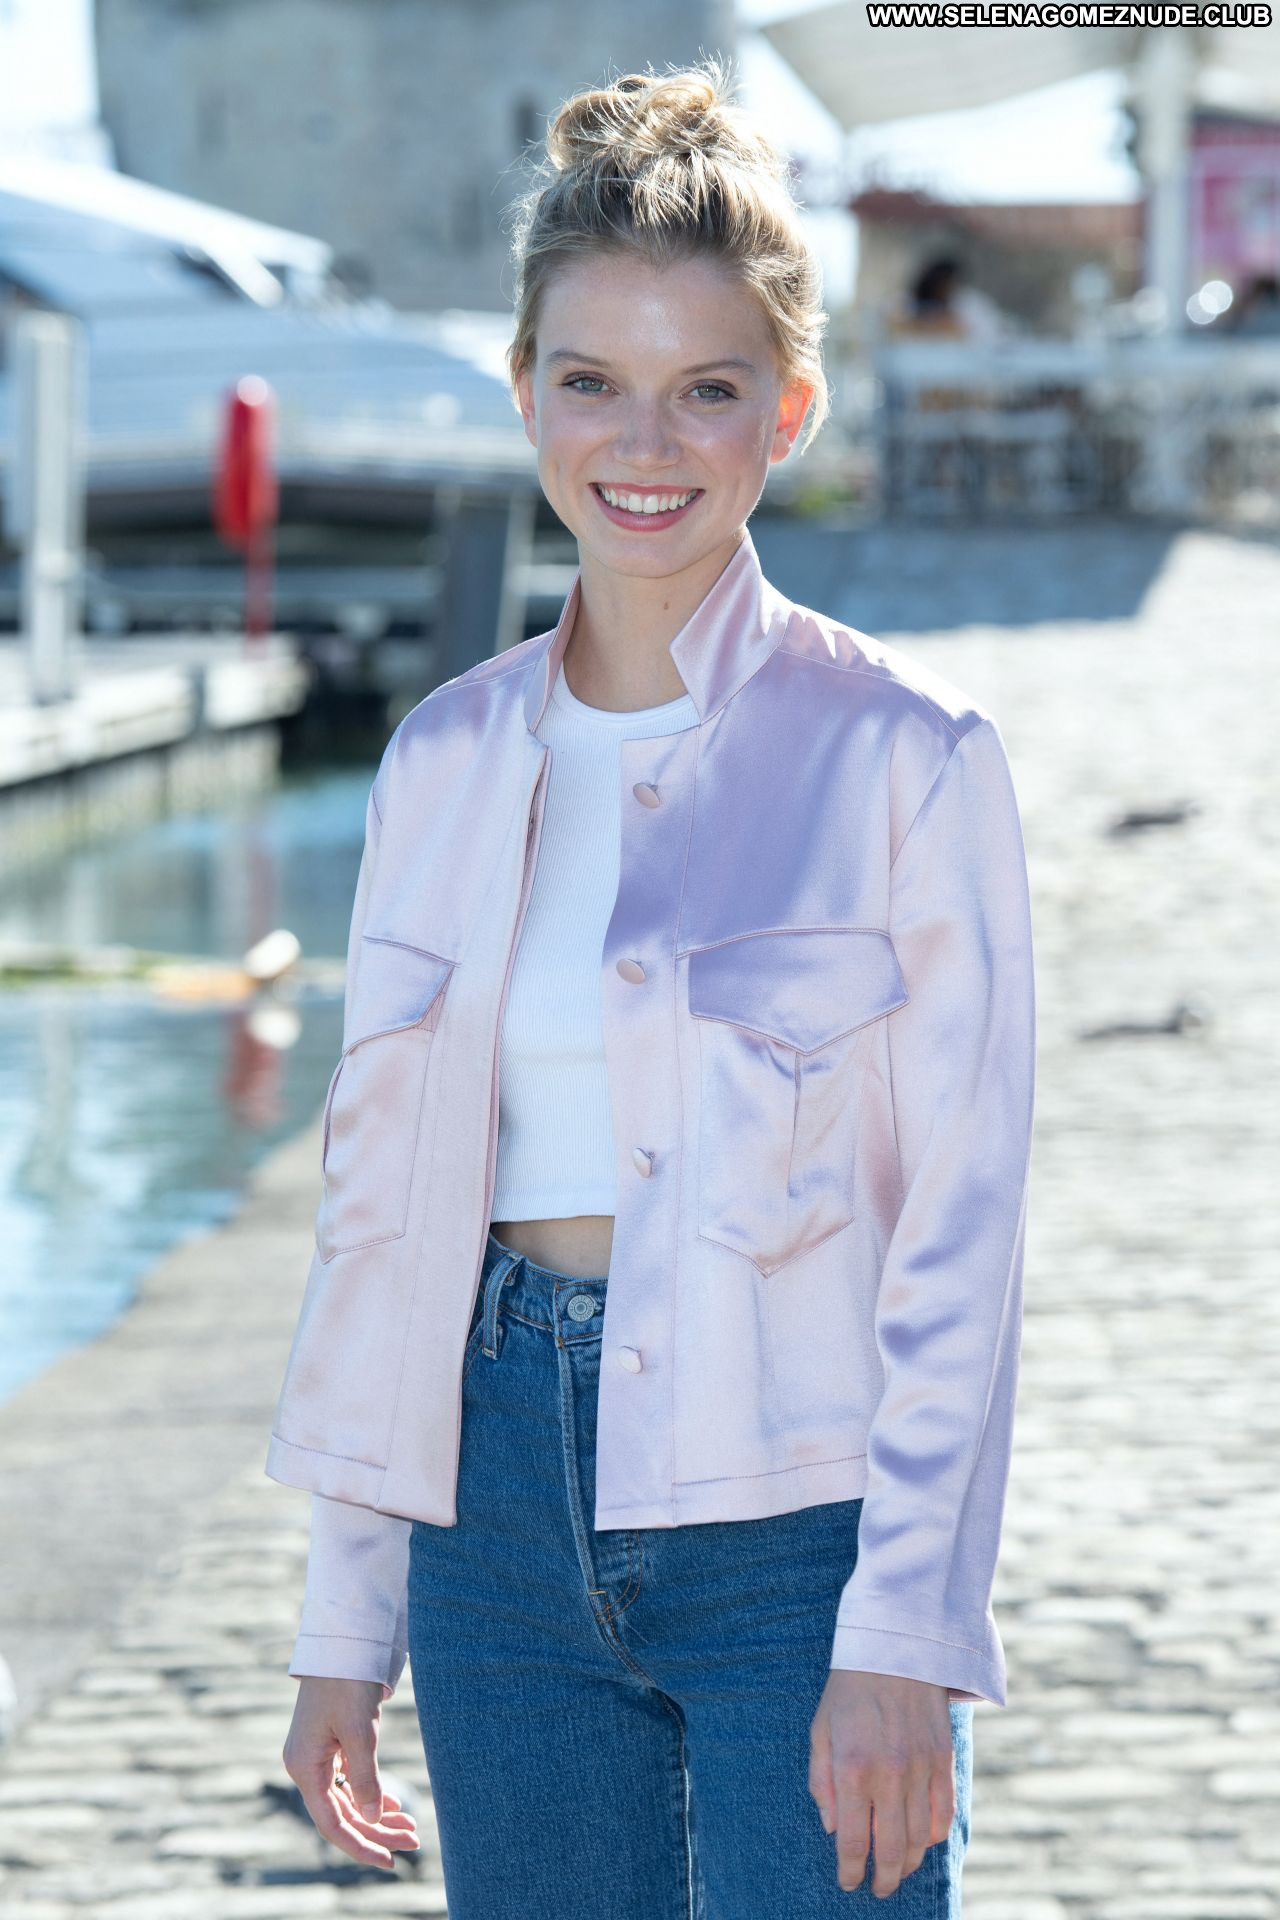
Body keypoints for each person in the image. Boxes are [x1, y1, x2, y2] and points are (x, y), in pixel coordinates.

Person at [269, 56, 1036, 1917]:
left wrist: (909, 1632)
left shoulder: (908, 758)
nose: (646, 442)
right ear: (525, 393)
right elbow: (383, 1216)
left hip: (799, 1532)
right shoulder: (442, 763)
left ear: (787, 410)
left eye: (707, 388)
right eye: (591, 380)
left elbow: (964, 1234)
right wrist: (344, 1624)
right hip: (493, 1524)